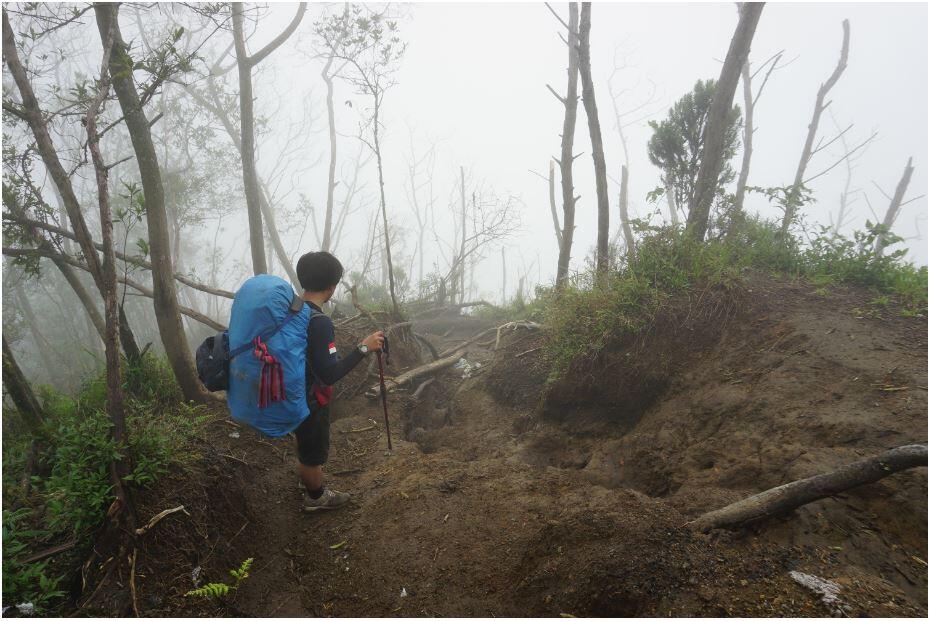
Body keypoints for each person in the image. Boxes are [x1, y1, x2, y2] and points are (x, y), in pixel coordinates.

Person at [294, 251, 384, 512]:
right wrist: (364, 348)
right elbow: (329, 374)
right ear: (332, 287)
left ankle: (307, 479)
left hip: (292, 392)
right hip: (311, 398)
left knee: (303, 440)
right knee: (313, 451)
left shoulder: (292, 310)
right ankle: (316, 497)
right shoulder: (319, 322)